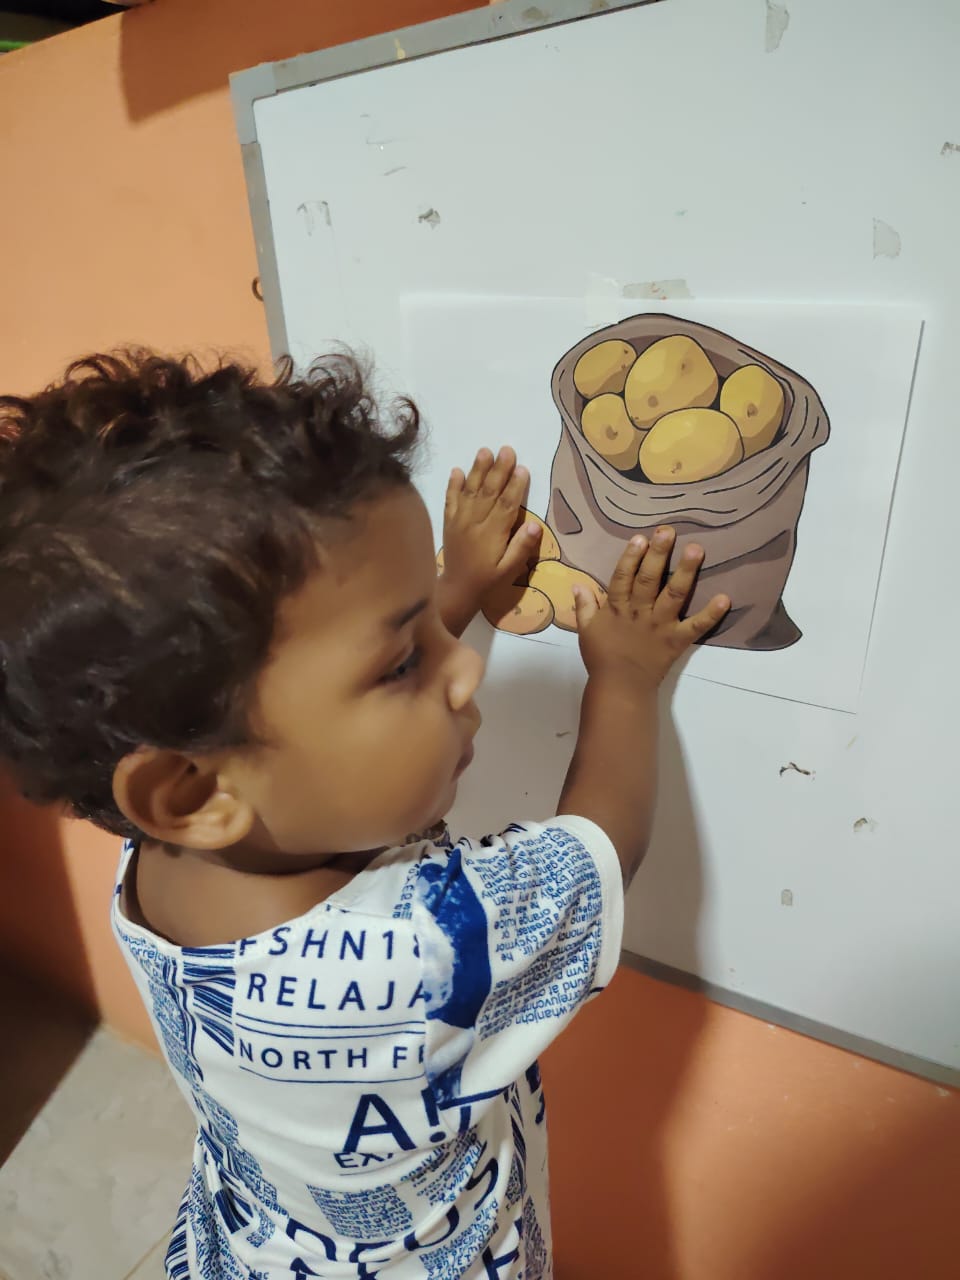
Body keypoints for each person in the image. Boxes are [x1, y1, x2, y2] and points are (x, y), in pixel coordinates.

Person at [0, 349, 728, 1279]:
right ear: (193, 790)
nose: (465, 668)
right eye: (402, 662)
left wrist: (449, 591)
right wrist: (624, 679)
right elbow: (603, 847)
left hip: (249, 1244)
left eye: (430, 630)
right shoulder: (422, 948)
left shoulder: (170, 847)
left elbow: (312, 731)